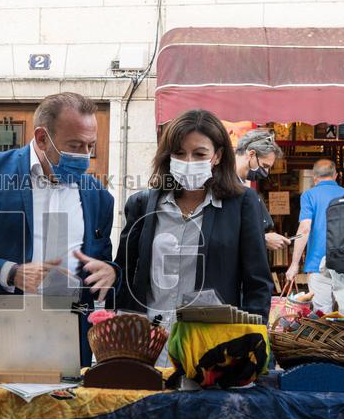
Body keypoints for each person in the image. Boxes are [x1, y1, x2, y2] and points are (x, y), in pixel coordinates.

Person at [0, 92, 118, 367]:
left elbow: (101, 267)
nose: (85, 157)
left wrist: (110, 271)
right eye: (75, 145)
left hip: (68, 343)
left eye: (90, 146)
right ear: (42, 138)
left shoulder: (98, 196)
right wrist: (12, 273)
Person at [114, 109, 272, 329]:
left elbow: (258, 283)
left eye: (199, 154)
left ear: (217, 156)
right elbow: (124, 273)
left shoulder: (242, 204)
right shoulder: (142, 205)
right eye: (179, 153)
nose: (188, 161)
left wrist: (251, 337)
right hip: (149, 343)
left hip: (210, 346)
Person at [286, 159, 344, 314]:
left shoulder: (309, 195)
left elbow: (305, 228)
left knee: (322, 314)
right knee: (342, 313)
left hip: (317, 262)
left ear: (314, 177)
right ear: (335, 175)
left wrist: (295, 263)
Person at [234, 130, 290, 251]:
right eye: (265, 166)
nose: (265, 173)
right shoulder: (224, 184)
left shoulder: (239, 184)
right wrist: (262, 239)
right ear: (251, 154)